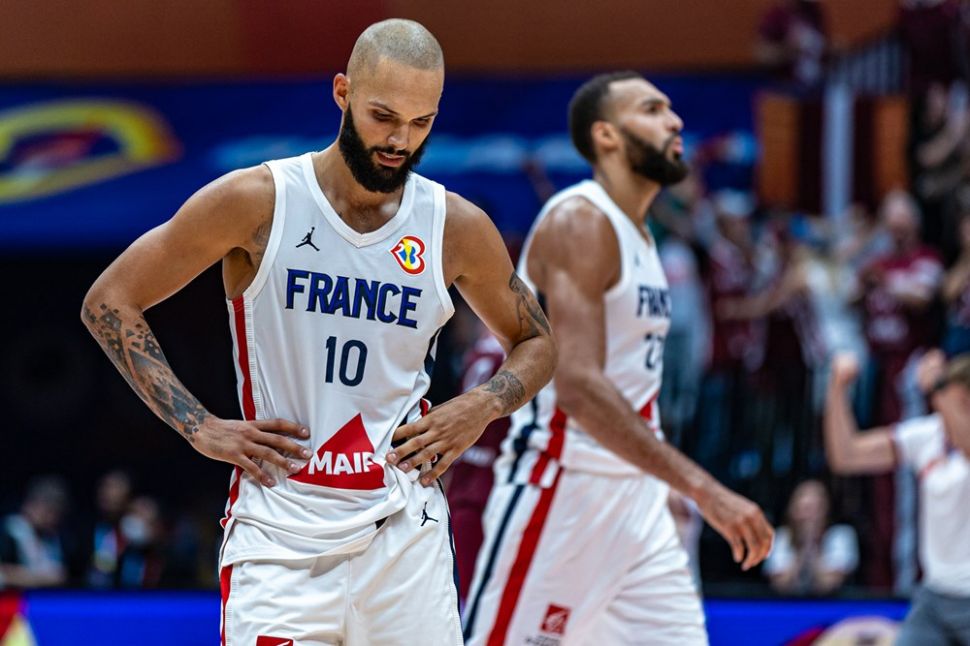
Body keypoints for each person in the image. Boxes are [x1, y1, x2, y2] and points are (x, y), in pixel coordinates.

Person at [81, 19, 556, 646]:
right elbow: (109, 301)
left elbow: (538, 341)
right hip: (279, 536)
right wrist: (200, 427)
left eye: (421, 123)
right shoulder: (259, 200)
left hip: (404, 537)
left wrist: (482, 406)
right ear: (343, 93)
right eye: (384, 117)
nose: (400, 140)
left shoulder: (454, 226)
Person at [462, 72, 773, 645]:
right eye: (652, 110)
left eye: (671, 109)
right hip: (566, 488)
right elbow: (578, 386)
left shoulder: (643, 239)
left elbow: (630, 388)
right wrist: (704, 488)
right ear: (605, 135)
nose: (674, 121)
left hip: (637, 500)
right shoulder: (581, 220)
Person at [824, 349, 970, 644]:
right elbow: (847, 455)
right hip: (934, 595)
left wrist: (937, 386)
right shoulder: (929, 434)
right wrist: (837, 388)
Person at [763, 479, 858, 596]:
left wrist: (812, 544)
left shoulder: (841, 535)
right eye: (805, 509)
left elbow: (828, 584)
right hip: (788, 604)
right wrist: (802, 546)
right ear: (793, 511)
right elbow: (781, 584)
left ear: (826, 509)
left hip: (832, 604)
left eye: (816, 509)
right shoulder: (780, 537)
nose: (810, 517)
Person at [0, 476, 69, 589]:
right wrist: (42, 579)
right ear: (30, 505)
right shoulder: (7, 531)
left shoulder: (54, 537)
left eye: (57, 513)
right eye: (49, 511)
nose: (53, 519)